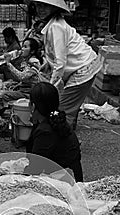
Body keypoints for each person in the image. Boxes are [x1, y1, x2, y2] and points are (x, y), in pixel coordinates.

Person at [32, 0, 102, 129]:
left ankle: (65, 142)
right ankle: (68, 137)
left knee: (63, 110)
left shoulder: (56, 26)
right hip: (84, 66)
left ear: (54, 8)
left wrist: (51, 87)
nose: (41, 9)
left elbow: (60, 61)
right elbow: (56, 54)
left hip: (83, 69)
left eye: (45, 6)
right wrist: (47, 64)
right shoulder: (53, 24)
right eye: (38, 5)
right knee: (68, 108)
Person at [26, 82, 83, 182]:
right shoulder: (55, 119)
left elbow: (35, 169)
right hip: (67, 173)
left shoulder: (45, 131)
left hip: (63, 181)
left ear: (33, 106)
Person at [0, 38, 43, 102]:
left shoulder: (34, 62)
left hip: (30, 93)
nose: (22, 49)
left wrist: (8, 64)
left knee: (3, 95)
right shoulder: (25, 61)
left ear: (32, 51)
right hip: (24, 90)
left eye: (25, 47)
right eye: (22, 47)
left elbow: (21, 76)